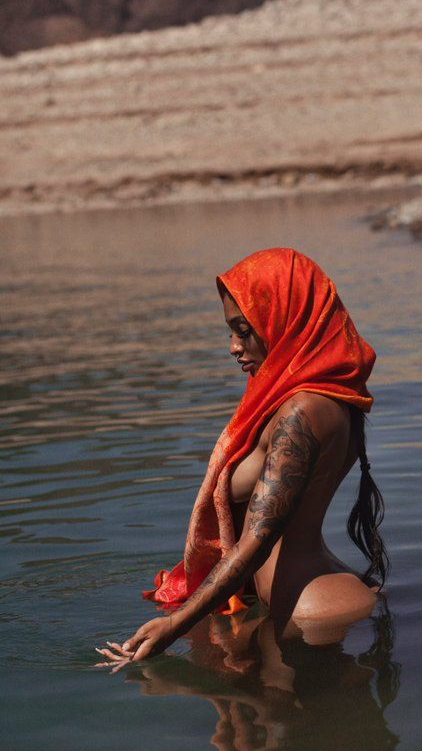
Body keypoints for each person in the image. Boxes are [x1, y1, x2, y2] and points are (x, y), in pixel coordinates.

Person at [97, 248, 388, 669]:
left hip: (314, 612)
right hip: (299, 603)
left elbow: (259, 540)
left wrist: (177, 624)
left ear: (284, 321)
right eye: (231, 331)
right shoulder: (307, 402)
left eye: (243, 330)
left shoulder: (302, 412)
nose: (234, 347)